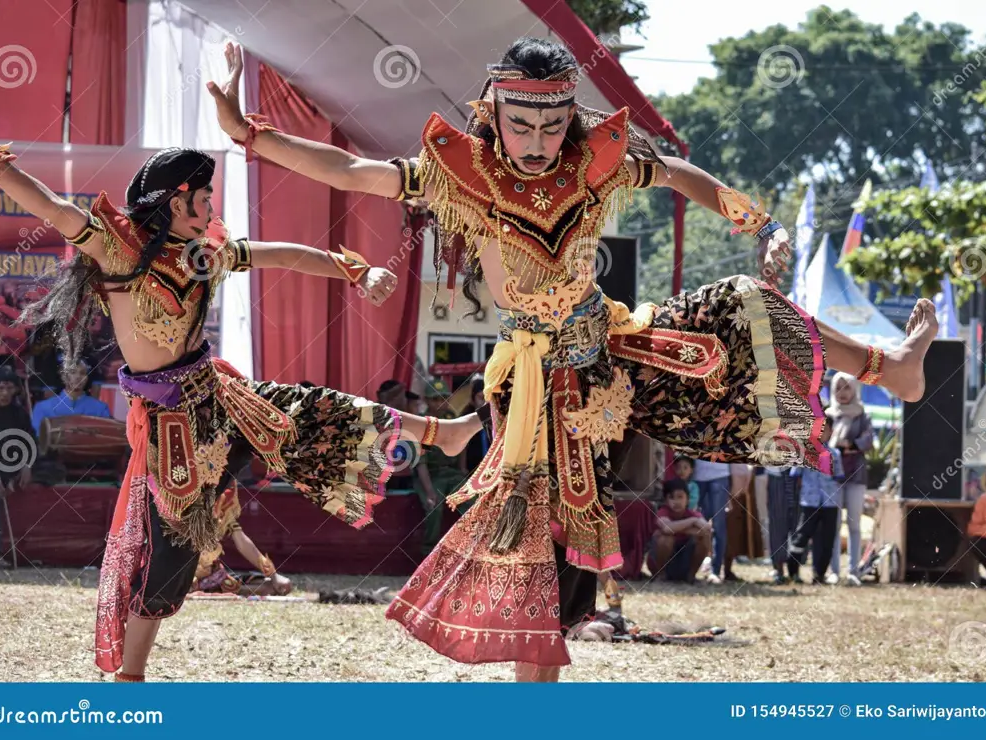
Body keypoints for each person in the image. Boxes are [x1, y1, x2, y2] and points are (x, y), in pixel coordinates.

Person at [208, 37, 935, 681]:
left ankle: (884, 364)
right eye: (520, 123)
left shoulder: (597, 164)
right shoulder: (462, 174)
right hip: (535, 388)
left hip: (611, 347)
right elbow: (350, 169)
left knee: (745, 306)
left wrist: (761, 219)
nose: (535, 139)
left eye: (552, 125)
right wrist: (252, 136)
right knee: (550, 546)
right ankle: (537, 690)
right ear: (494, 116)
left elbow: (679, 172)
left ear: (570, 121)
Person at [0, 144, 480, 681]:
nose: (212, 204)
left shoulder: (204, 253)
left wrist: (352, 273)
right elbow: (56, 208)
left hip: (219, 396)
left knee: (314, 412)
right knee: (172, 553)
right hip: (170, 426)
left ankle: (441, 431)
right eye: (205, 196)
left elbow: (283, 255)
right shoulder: (118, 248)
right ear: (178, 201)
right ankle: (130, 678)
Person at [190, 487, 292, 597]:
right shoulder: (181, 501)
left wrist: (273, 575)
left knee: (276, 586)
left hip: (215, 575)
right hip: (183, 575)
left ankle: (221, 589)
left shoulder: (223, 507)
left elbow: (242, 542)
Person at [0, 366, 35, 567]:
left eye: (9, 388)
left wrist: (26, 465)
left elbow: (28, 439)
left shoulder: (17, 412)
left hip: (5, 466)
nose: (5, 394)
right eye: (0, 388)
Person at [825, 372, 873, 586]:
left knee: (854, 524)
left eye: (846, 388)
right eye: (838, 388)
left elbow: (869, 439)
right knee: (832, 525)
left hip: (856, 475)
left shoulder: (862, 414)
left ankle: (854, 571)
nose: (842, 393)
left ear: (854, 390)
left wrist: (851, 445)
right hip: (833, 476)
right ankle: (834, 570)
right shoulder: (828, 414)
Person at [414, 379, 469, 555]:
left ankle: (469, 551)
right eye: (435, 399)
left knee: (471, 502)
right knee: (434, 507)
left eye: (444, 398)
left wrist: (462, 470)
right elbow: (420, 462)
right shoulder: (421, 424)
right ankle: (428, 552)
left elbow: (463, 446)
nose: (441, 403)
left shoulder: (451, 419)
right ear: (426, 400)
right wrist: (430, 491)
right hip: (430, 475)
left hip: (451, 473)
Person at [786, 422, 844, 584]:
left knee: (827, 538)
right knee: (802, 535)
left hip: (830, 502)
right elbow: (795, 475)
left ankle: (819, 574)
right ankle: (793, 572)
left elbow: (840, 477)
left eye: (825, 430)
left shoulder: (835, 454)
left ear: (831, 432)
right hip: (809, 501)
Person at [646, 480, 711, 583]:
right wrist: (692, 522)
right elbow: (667, 528)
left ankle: (691, 576)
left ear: (687, 499)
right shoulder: (663, 512)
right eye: (671, 497)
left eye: (680, 497)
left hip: (685, 561)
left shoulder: (693, 513)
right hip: (664, 562)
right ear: (666, 501)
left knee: (705, 537)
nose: (676, 501)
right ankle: (660, 575)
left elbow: (706, 529)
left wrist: (678, 528)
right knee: (665, 538)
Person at [30, 362, 112, 435]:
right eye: (73, 372)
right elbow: (39, 441)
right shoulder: (42, 408)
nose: (78, 377)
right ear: (63, 377)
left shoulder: (100, 408)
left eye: (82, 373)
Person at [693, 460, 731, 584]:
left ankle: (715, 571)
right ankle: (691, 570)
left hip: (720, 474)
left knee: (719, 526)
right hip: (697, 475)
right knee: (697, 525)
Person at [765, 466, 800, 584]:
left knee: (798, 527)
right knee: (777, 527)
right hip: (776, 475)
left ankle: (794, 571)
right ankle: (778, 571)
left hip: (798, 476)